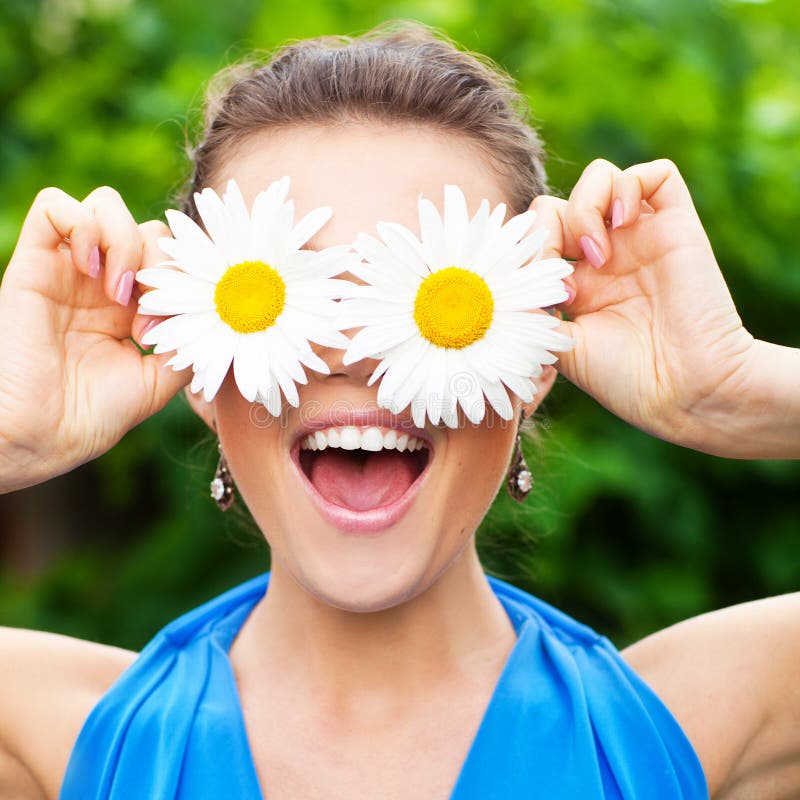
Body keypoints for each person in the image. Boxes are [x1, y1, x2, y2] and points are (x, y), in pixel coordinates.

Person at [0, 21, 798, 800]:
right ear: (198, 371)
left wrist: (742, 390)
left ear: (533, 361)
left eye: (431, 294)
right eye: (284, 293)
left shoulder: (703, 717)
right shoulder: (61, 733)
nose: (357, 351)